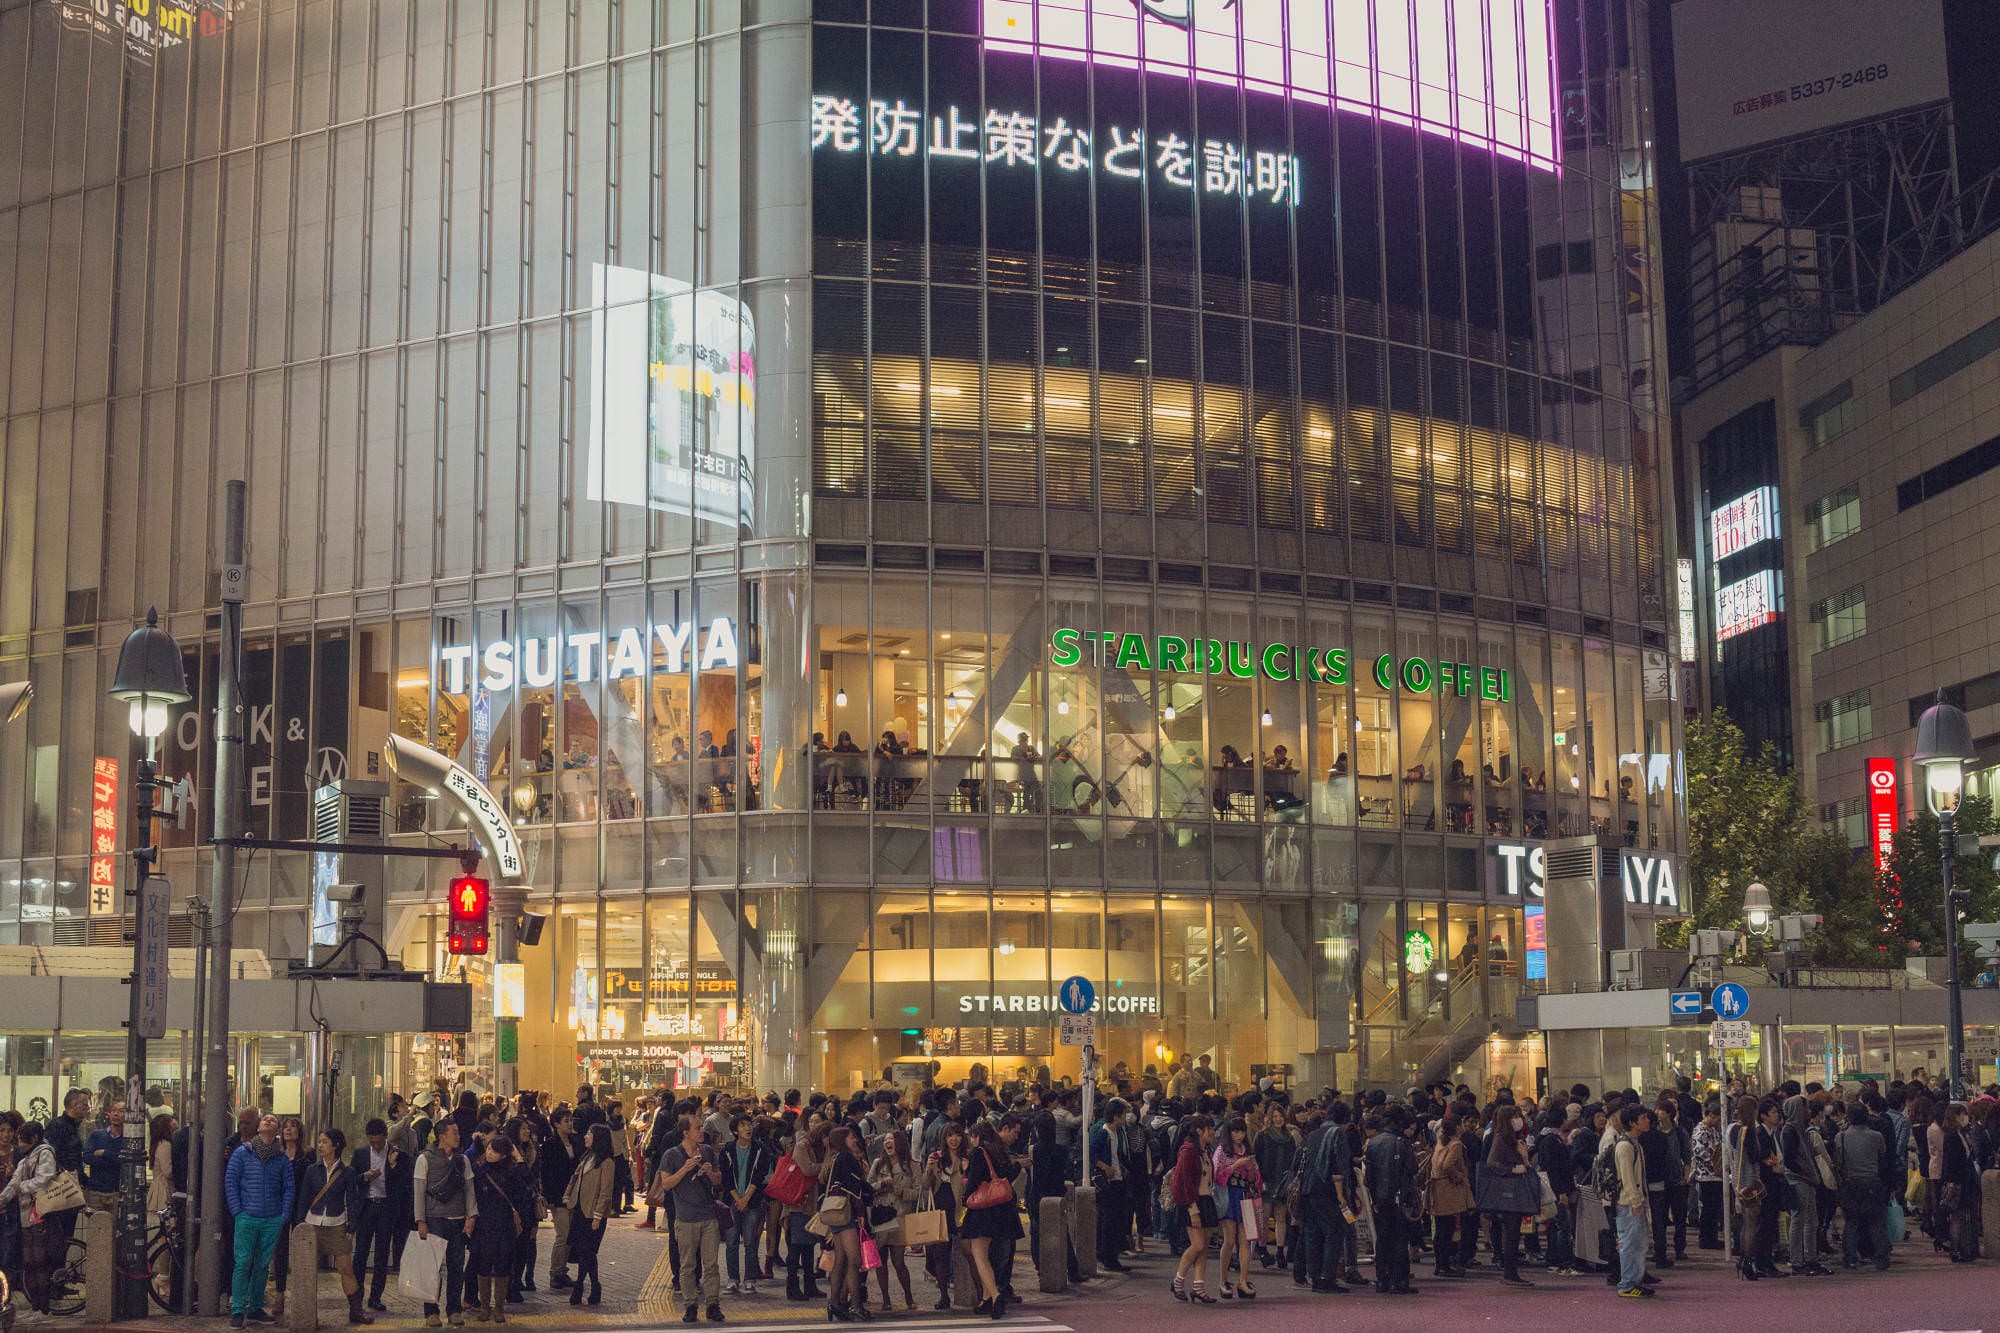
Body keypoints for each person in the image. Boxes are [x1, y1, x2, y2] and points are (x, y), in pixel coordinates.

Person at [225, 1112, 297, 1328]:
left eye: (273, 1120)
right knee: (243, 1262)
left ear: (276, 1131)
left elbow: (289, 1188)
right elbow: (231, 1182)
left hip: (272, 1219)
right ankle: (238, 1309)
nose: (268, 1121)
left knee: (262, 1265)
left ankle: (255, 1307)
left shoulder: (282, 1159)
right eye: (265, 1119)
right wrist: (238, 1211)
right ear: (258, 1128)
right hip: (247, 1217)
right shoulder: (242, 1153)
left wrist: (283, 1215)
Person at [297, 1128, 374, 1326]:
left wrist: (351, 1226)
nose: (320, 1145)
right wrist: (299, 1224)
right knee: (307, 1269)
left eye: (324, 1142)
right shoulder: (312, 1170)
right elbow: (304, 1197)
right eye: (320, 1141)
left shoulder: (347, 1172)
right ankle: (305, 1312)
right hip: (312, 1223)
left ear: (336, 1145)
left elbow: (353, 1199)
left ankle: (356, 1310)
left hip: (336, 1224)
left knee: (345, 1268)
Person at [659, 1113, 727, 1322]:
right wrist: (685, 1169)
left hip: (708, 1217)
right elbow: (666, 1184)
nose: (702, 1131)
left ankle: (713, 1304)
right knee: (687, 1265)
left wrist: (708, 1172)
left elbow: (718, 1181)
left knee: (711, 1264)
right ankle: (690, 1305)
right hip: (685, 1219)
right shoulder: (671, 1155)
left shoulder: (707, 1151)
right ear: (685, 1132)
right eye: (697, 1128)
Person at [413, 1119, 479, 1327]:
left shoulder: (462, 1161)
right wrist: (420, 1220)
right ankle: (431, 1311)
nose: (458, 1137)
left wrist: (471, 1216)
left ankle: (454, 1310)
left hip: (458, 1219)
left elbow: (469, 1190)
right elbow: (419, 1192)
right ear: (441, 1136)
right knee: (432, 1267)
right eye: (454, 1133)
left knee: (456, 1266)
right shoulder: (425, 1159)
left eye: (458, 1132)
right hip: (434, 1219)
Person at [960, 1120, 1020, 1319]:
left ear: (977, 1136)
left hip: (982, 1211)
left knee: (979, 1254)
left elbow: (974, 1180)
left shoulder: (979, 1152)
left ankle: (995, 1296)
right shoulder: (1000, 1152)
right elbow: (1009, 1176)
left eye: (972, 1136)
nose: (970, 1140)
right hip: (1001, 1210)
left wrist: (965, 1197)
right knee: (987, 1254)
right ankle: (986, 1298)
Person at [1, 1121, 59, 1313]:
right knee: (29, 1262)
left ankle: (43, 1306)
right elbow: (14, 1182)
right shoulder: (26, 1158)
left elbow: (45, 1178)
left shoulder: (44, 1152)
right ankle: (36, 1306)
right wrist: (2, 1199)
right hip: (27, 1215)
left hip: (41, 1214)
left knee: (39, 1262)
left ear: (33, 1139)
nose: (18, 1142)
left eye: (21, 1138)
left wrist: (21, 1188)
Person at [468, 1134, 525, 1323]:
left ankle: (499, 1308)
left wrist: (520, 1160)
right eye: (488, 1148)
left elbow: (525, 1189)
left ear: (503, 1155)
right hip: (483, 1225)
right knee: (483, 1266)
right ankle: (485, 1307)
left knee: (502, 1266)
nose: (489, 1152)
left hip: (504, 1226)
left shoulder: (512, 1172)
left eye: (494, 1150)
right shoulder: (479, 1169)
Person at [1363, 1107, 1419, 1296]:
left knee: (1383, 1239)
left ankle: (1382, 1279)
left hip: (1379, 1197)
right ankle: (1399, 1280)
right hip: (1399, 1196)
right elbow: (1412, 1168)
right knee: (1400, 1239)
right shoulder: (1402, 1143)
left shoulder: (1373, 1143)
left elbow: (1368, 1176)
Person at [1480, 1104, 1535, 1287]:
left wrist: (1524, 1158)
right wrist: (1512, 1169)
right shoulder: (1500, 1138)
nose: (1519, 1120)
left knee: (1514, 1232)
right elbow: (1492, 1162)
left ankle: (1511, 1270)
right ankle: (1510, 1272)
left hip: (1514, 1190)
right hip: (1508, 1191)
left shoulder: (1514, 1139)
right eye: (1516, 1116)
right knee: (1511, 1232)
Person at [562, 1125, 616, 1307]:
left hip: (593, 1214)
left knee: (588, 1252)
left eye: (589, 1134)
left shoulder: (606, 1162)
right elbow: (574, 1178)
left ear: (598, 1138)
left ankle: (582, 1287)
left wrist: (598, 1216)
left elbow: (605, 1192)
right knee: (585, 1253)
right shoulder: (587, 1157)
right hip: (579, 1211)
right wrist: (567, 1196)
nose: (585, 1136)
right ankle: (593, 1286)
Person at [867, 1129, 921, 1310]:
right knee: (881, 1261)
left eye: (891, 1140)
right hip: (881, 1216)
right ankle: (886, 1299)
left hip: (899, 1216)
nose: (887, 1143)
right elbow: (868, 1187)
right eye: (885, 1140)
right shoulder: (878, 1163)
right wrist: (882, 1184)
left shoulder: (912, 1165)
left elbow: (918, 1192)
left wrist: (899, 1190)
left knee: (898, 1261)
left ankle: (908, 1296)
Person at [1834, 1103, 1891, 1271]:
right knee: (1876, 1222)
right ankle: (1881, 1258)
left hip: (1850, 1182)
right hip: (1872, 1182)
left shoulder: (1841, 1137)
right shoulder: (1877, 1136)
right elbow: (1882, 1157)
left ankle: (1850, 1258)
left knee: (1852, 1222)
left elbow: (1837, 1162)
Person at [1778, 1095, 1830, 1276]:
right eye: (1805, 1108)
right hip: (1798, 1179)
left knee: (1811, 1221)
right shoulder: (1790, 1131)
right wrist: (1805, 1171)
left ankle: (1811, 1258)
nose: (1808, 1112)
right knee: (1799, 1219)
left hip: (1807, 1179)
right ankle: (1797, 1260)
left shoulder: (1802, 1130)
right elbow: (1790, 1159)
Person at [721, 1114, 772, 1297]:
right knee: (732, 1242)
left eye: (749, 1125)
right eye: (742, 1126)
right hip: (732, 1201)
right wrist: (737, 1199)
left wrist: (747, 1199)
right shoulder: (728, 1150)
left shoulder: (760, 1150)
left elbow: (760, 1175)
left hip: (753, 1201)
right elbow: (726, 1178)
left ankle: (749, 1279)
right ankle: (733, 1279)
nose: (747, 1128)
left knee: (751, 1242)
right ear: (735, 1131)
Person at [1169, 1115, 1218, 1303]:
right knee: (1197, 1245)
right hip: (1193, 1202)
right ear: (1199, 1131)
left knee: (1203, 1247)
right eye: (1209, 1128)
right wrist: (1192, 1208)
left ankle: (1199, 1286)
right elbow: (1185, 1182)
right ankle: (1178, 1280)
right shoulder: (1189, 1151)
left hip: (1206, 1199)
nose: (1212, 1132)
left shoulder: (1204, 1150)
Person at [349, 1118, 396, 1312]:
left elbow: (402, 1182)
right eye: (372, 1142)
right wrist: (365, 1177)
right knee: (360, 1253)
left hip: (386, 1207)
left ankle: (375, 1296)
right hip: (366, 1206)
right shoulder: (360, 1154)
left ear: (385, 1137)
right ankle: (357, 1294)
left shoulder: (395, 1153)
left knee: (382, 1254)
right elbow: (351, 1180)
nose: (376, 1146)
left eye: (379, 1142)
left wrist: (391, 1167)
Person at [1211, 1116, 1261, 1298]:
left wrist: (1251, 1171)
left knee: (1246, 1241)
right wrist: (1235, 1166)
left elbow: (1256, 1177)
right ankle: (1223, 1280)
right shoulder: (1222, 1151)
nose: (1239, 1135)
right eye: (1235, 1131)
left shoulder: (1248, 1150)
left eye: (1241, 1131)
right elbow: (1216, 1176)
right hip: (1229, 1196)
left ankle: (1242, 1280)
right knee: (1229, 1240)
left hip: (1246, 1195)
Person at [922, 1123, 970, 1310]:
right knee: (940, 1255)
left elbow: (969, 1184)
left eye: (957, 1135)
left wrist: (966, 1170)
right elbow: (925, 1185)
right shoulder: (937, 1158)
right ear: (944, 1138)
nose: (954, 1139)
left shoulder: (967, 1158)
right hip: (939, 1210)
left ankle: (978, 1291)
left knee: (968, 1252)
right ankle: (943, 1296)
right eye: (950, 1135)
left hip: (960, 1210)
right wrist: (928, 1168)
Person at [1609, 1104, 1652, 1298]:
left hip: (1635, 1201)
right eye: (1643, 1118)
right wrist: (1636, 1201)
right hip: (1628, 1203)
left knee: (1638, 1244)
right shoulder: (1626, 1146)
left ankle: (1634, 1280)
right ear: (1632, 1123)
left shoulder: (1634, 1144)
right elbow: (1627, 1177)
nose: (1647, 1121)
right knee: (1629, 1243)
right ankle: (1627, 1283)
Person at [1426, 1112, 1473, 1278]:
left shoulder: (1440, 1142)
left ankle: (1440, 1264)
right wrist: (1459, 1177)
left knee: (1440, 1228)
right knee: (1448, 1228)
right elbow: (1447, 1165)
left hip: (1437, 1188)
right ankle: (1444, 1265)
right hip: (1449, 1189)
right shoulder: (1456, 1145)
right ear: (1457, 1127)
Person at [538, 1108, 578, 1291]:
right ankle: (555, 1272)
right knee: (563, 1234)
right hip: (558, 1196)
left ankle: (562, 1270)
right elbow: (547, 1174)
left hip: (574, 1195)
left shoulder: (575, 1142)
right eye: (566, 1121)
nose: (570, 1124)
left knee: (570, 1235)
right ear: (556, 1124)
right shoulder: (550, 1145)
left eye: (571, 1120)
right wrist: (549, 1197)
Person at [1939, 1102, 1983, 1263]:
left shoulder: (1961, 1134)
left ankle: (1966, 1248)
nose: (1966, 1118)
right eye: (1963, 1114)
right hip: (1957, 1182)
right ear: (1956, 1116)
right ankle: (1956, 1249)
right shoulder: (1951, 1136)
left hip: (1965, 1180)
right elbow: (1953, 1162)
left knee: (1964, 1216)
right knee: (1957, 1216)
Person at [1689, 1100, 1723, 1251]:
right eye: (1716, 1118)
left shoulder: (1712, 1129)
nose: (1717, 1121)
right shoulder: (1701, 1131)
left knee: (1713, 1209)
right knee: (1708, 1209)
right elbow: (1699, 1152)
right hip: (1706, 1175)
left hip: (1715, 1174)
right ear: (1709, 1115)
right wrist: (1715, 1157)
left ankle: (1712, 1237)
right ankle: (1706, 1239)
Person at [81, 1100, 123, 1210]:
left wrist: (104, 1153)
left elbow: (124, 1161)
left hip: (117, 1191)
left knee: (115, 1226)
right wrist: (114, 1159)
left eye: (121, 1111)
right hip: (95, 1190)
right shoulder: (97, 1135)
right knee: (97, 1225)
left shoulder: (129, 1140)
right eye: (113, 1110)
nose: (116, 1114)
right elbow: (87, 1157)